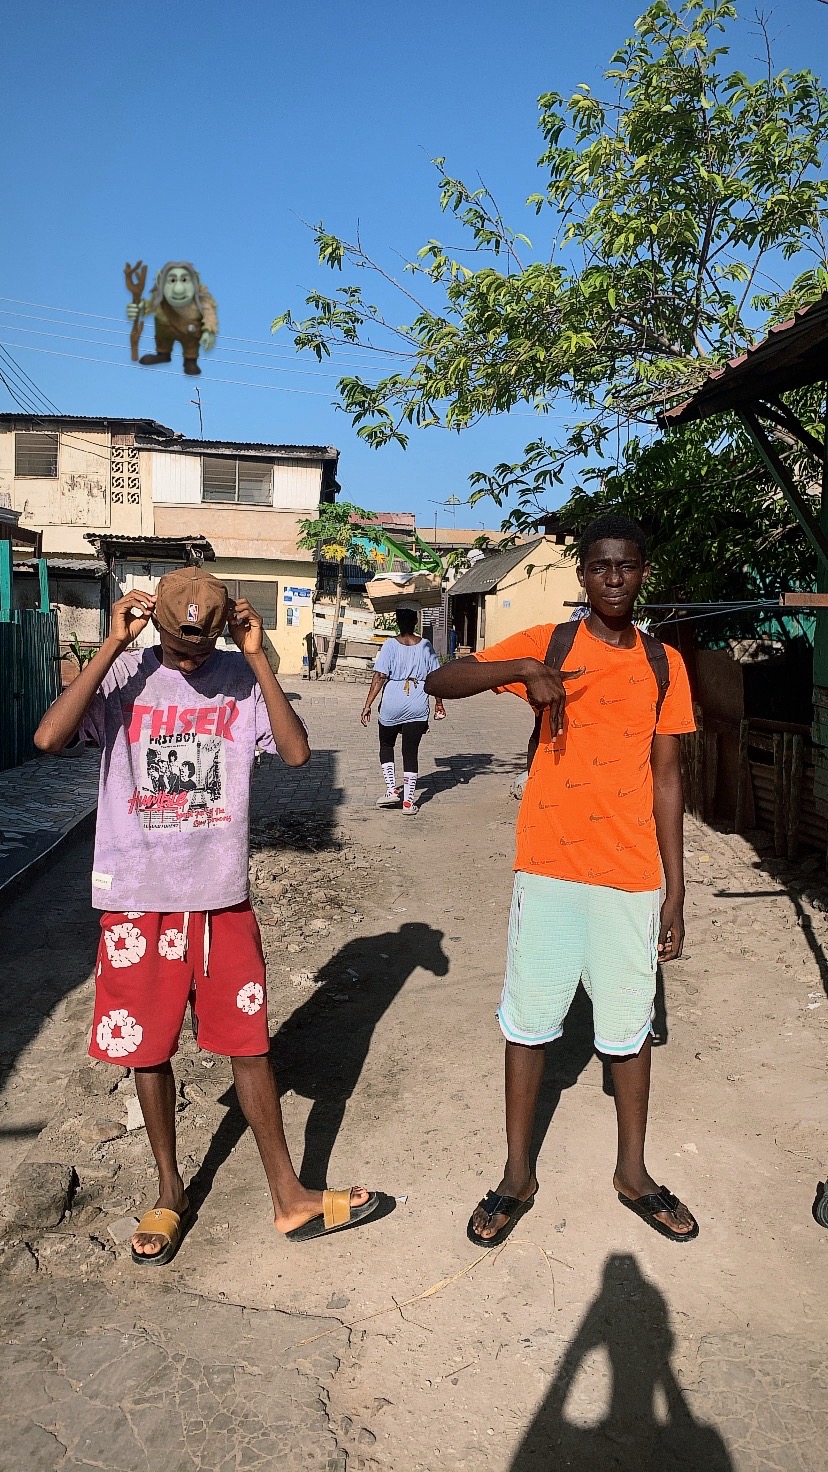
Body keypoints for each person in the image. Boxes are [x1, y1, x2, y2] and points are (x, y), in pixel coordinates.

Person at [35, 567, 378, 1264]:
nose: (190, 657)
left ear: (224, 628)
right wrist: (110, 646)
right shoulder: (124, 673)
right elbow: (48, 738)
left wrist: (257, 656)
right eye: (177, 642)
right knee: (148, 1049)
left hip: (220, 897)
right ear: (154, 624)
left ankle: (289, 1194)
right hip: (137, 898)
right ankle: (170, 1190)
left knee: (248, 1044)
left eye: (203, 643)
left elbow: (296, 752)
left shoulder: (241, 677)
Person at [425, 515, 699, 1246]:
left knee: (628, 1032)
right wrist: (519, 670)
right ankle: (516, 1176)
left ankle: (633, 1174)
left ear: (644, 573)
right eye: (600, 566)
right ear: (582, 574)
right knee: (529, 1025)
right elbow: (440, 678)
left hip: (631, 875)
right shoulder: (550, 645)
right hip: (548, 868)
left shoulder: (664, 664)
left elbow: (667, 779)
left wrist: (675, 889)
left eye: (627, 566)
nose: (614, 578)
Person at [360, 604, 446, 813]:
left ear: (397, 621)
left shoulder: (389, 645)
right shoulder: (426, 645)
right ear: (416, 621)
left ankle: (391, 790)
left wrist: (367, 705)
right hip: (417, 703)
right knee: (410, 752)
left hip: (392, 703)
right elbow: (436, 678)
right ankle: (408, 802)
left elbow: (379, 676)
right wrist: (439, 703)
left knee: (386, 745)